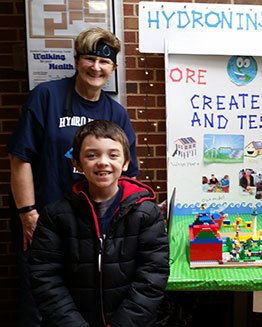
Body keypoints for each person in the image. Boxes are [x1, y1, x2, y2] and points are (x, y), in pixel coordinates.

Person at [6, 27, 139, 326]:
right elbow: (19, 157)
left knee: (82, 307)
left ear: (113, 68)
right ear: (77, 61)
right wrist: (28, 214)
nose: (96, 67)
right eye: (90, 59)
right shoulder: (46, 97)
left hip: (90, 228)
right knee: (39, 305)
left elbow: (128, 173)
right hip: (43, 223)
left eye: (104, 62)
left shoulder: (115, 113)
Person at [29, 120, 169, 326]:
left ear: (126, 162)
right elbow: (45, 277)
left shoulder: (146, 213)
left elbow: (153, 274)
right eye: (92, 155)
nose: (103, 162)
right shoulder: (55, 216)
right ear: (76, 162)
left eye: (113, 155)